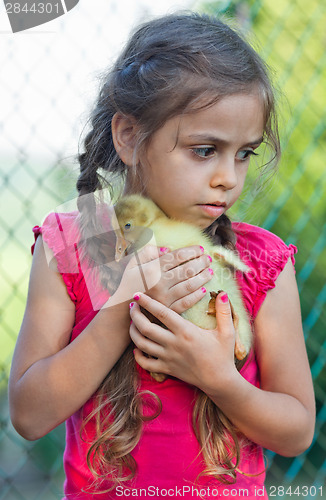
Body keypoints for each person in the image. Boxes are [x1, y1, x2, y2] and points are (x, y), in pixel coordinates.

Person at [9, 12, 315, 500]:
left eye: (244, 154)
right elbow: (29, 414)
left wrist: (218, 379)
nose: (228, 178)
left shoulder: (258, 260)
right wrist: (121, 310)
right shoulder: (86, 239)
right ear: (129, 136)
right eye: (204, 150)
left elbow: (296, 430)